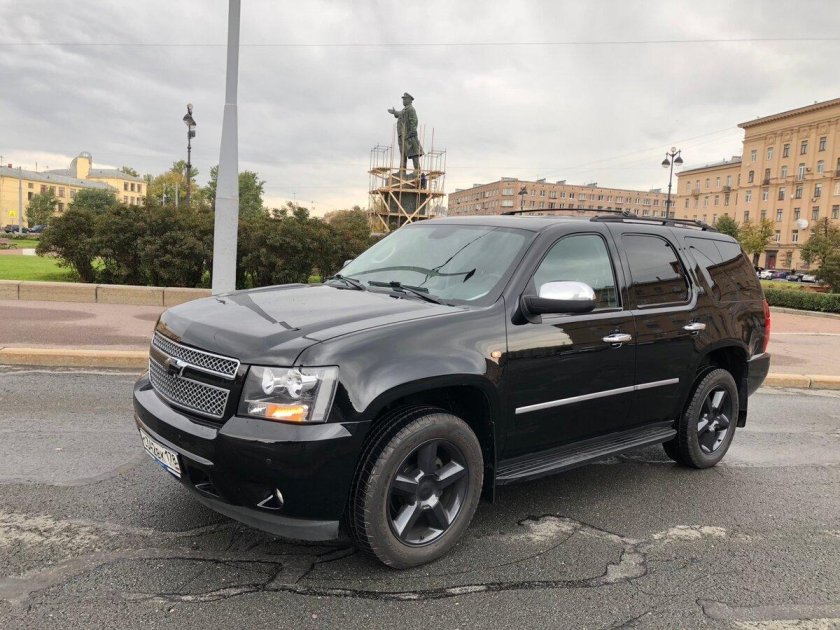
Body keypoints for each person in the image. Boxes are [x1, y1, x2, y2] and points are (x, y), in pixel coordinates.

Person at [387, 93, 424, 173]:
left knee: (414, 152)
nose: (403, 101)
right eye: (403, 99)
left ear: (410, 100)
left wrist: (412, 132)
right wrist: (394, 112)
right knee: (403, 153)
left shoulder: (411, 109)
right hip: (402, 135)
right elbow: (400, 113)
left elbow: (413, 120)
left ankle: (417, 170)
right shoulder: (405, 109)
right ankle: (402, 170)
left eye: (405, 99)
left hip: (408, 135)